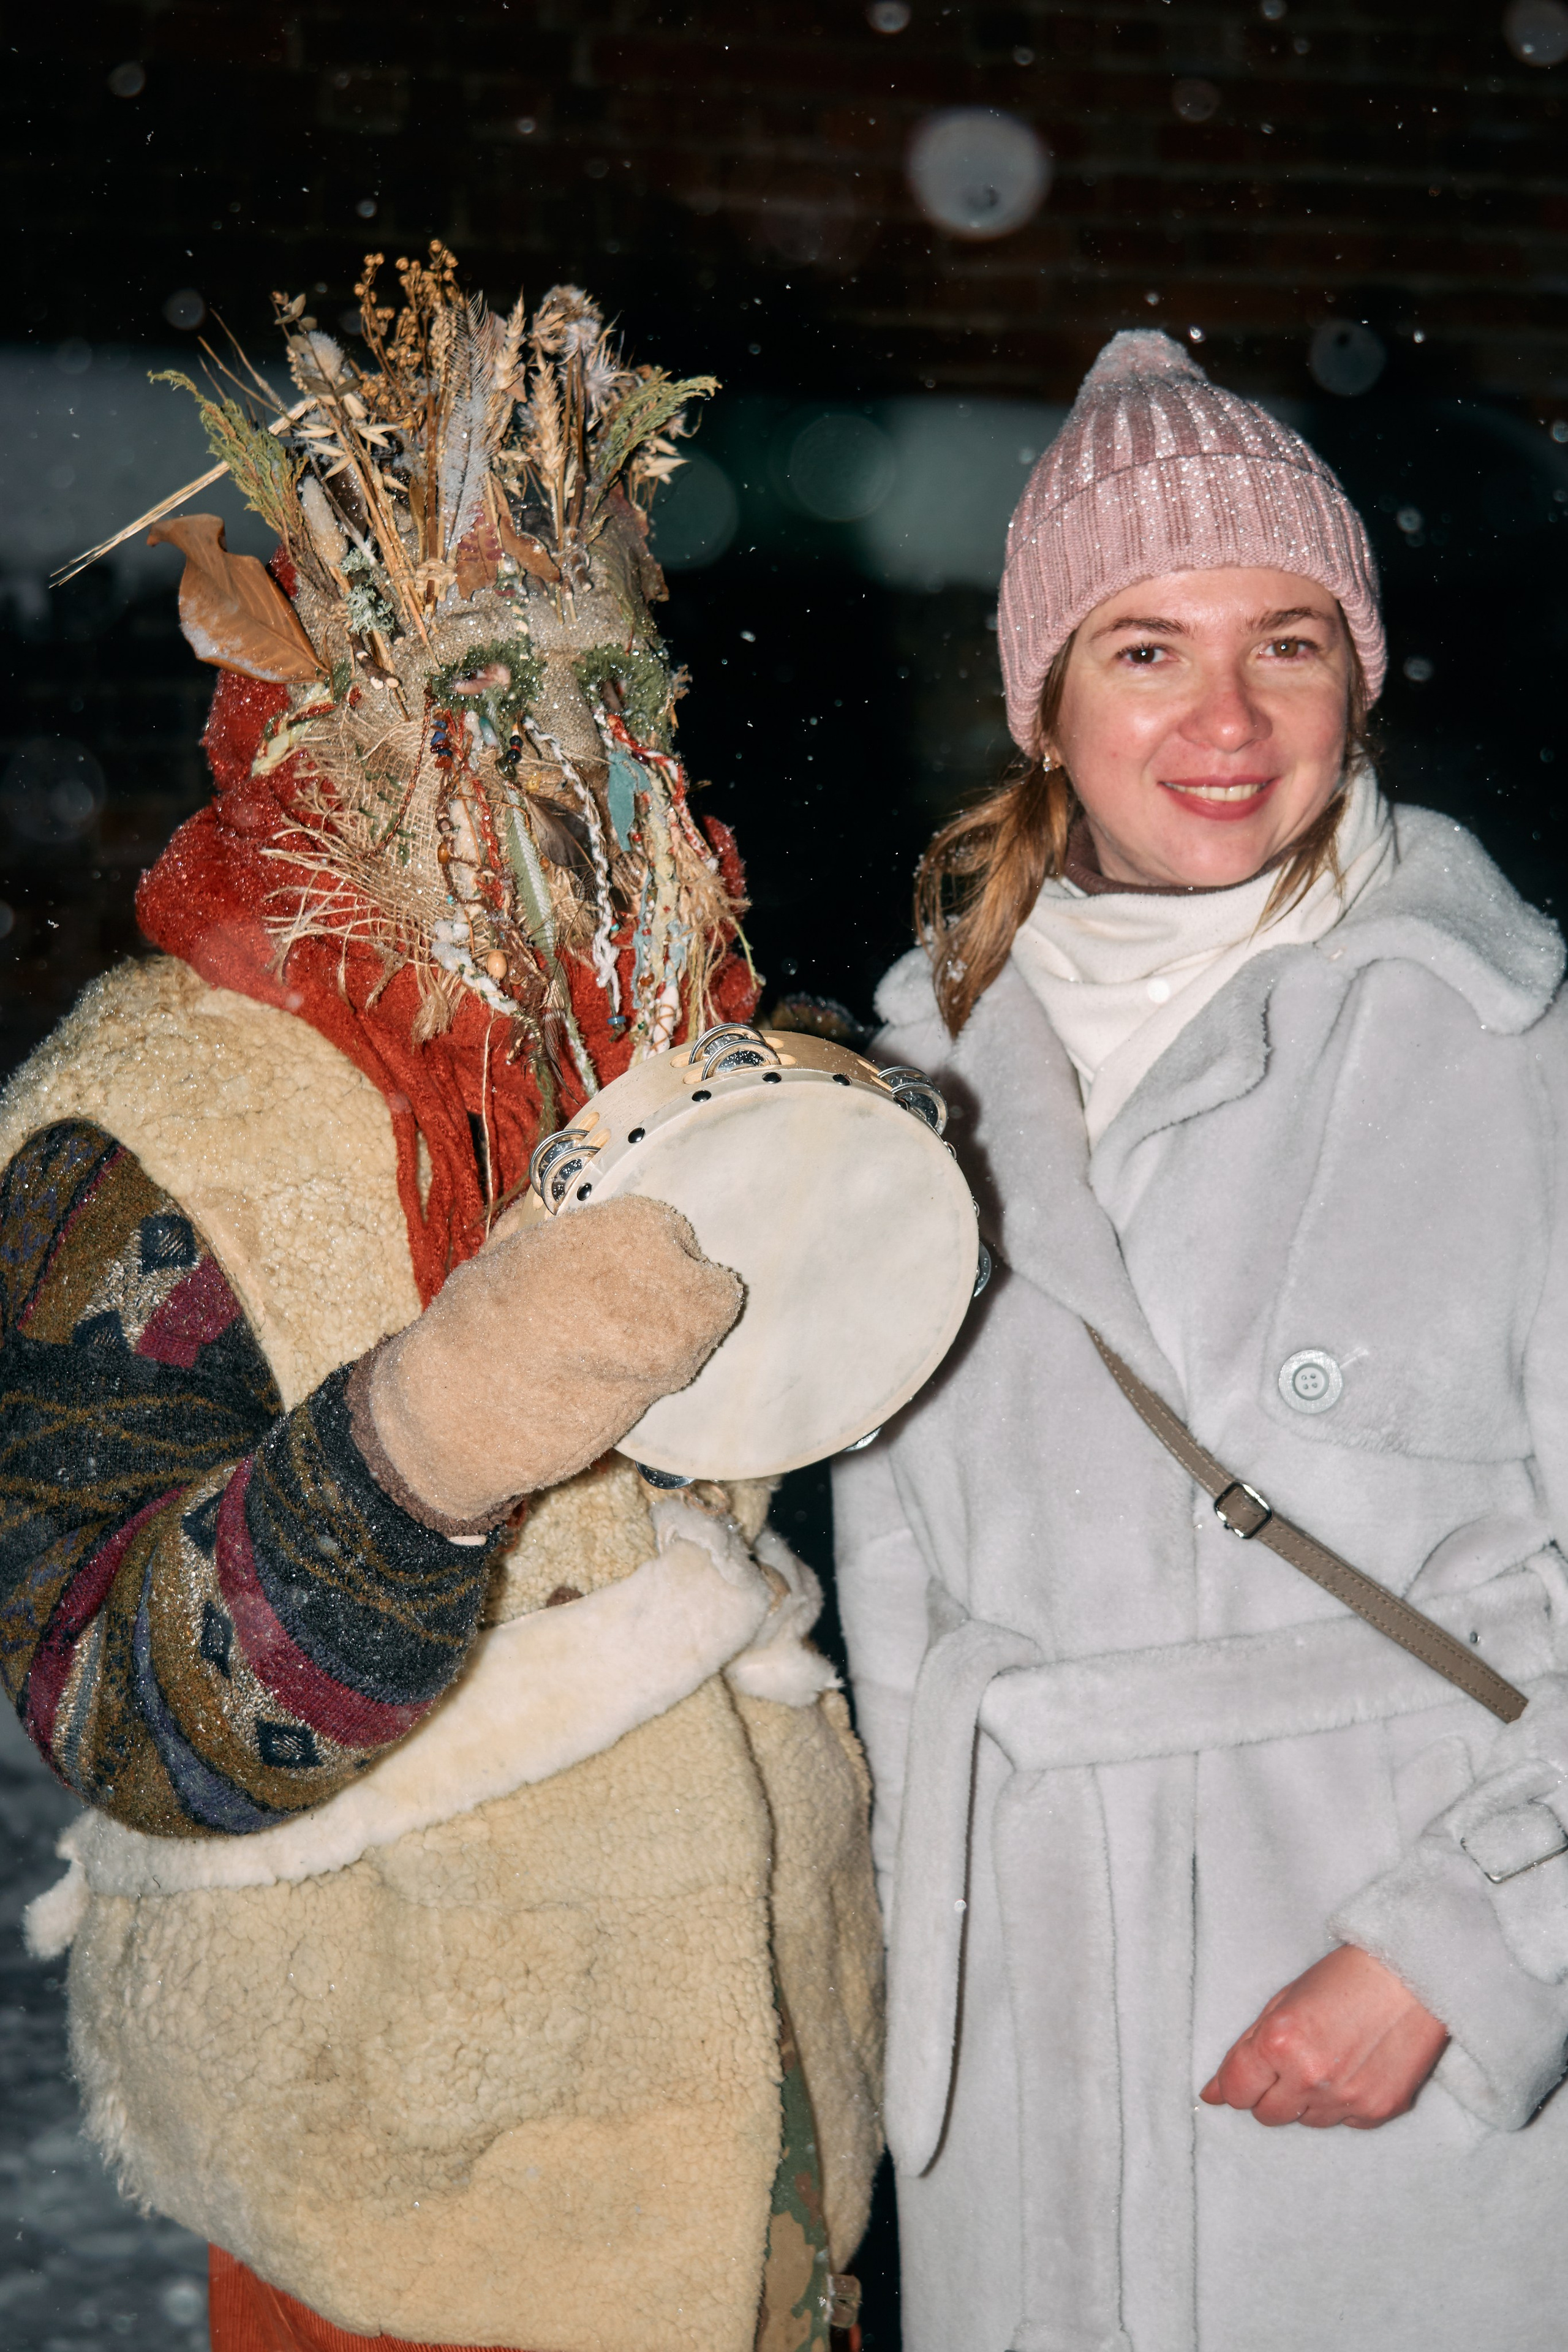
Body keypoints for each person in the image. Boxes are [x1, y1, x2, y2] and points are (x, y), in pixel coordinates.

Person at [1, 259, 881, 2352]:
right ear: (330, 727)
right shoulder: (145, 1122)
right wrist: (419, 1451)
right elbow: (116, 1701)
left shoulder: (664, 1049)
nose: (563, 784)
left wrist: (842, 1166)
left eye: (610, 712)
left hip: (757, 2172)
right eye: (489, 716)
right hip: (395, 2194)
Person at [834, 328, 1568, 2351]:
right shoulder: (909, 1090)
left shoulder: (1510, 1051)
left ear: (1361, 678)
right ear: (1048, 703)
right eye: (1148, 648)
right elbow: (893, 1614)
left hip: (1392, 2070)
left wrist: (1460, 1953)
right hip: (1018, 2085)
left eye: (1289, 644)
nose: (1227, 719)